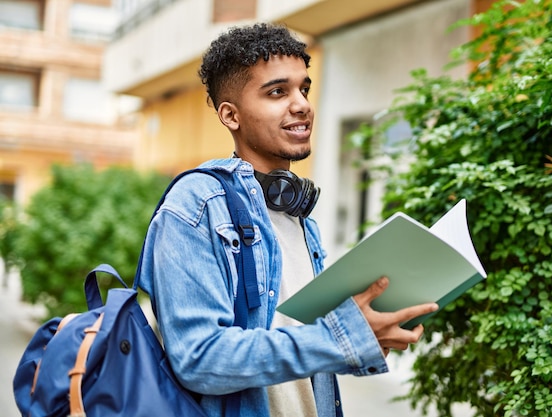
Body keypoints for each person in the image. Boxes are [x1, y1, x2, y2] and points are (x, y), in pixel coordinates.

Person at [137, 22, 439, 417]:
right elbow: (199, 358)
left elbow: (303, 345)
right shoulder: (197, 205)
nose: (302, 104)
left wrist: (372, 323)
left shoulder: (296, 215)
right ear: (231, 115)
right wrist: (339, 338)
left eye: (304, 89)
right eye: (278, 92)